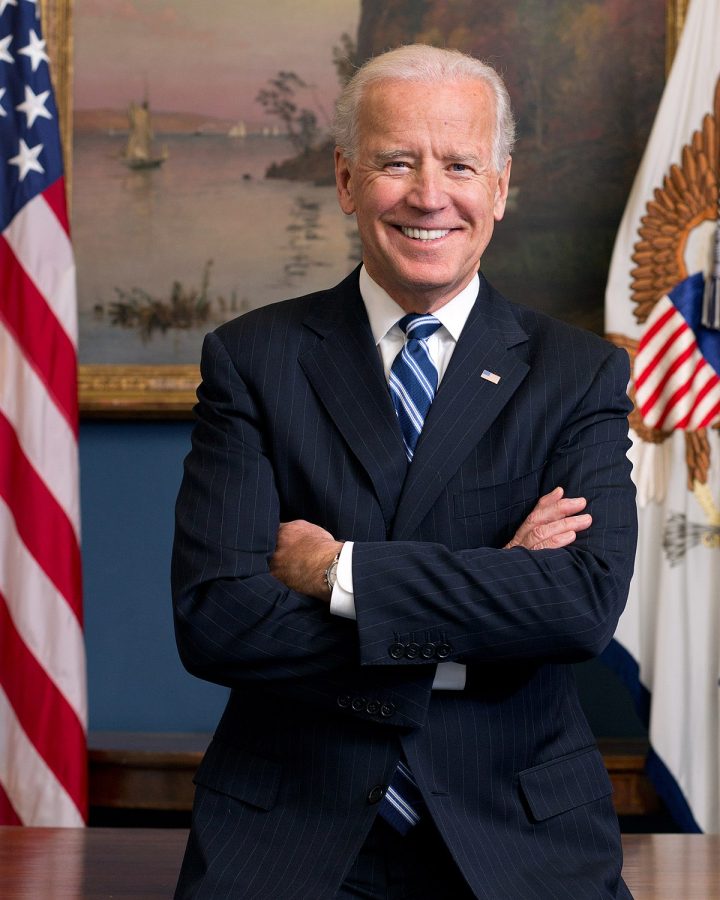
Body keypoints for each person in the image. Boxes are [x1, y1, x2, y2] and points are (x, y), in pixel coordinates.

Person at [172, 44, 636, 899]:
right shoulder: (251, 360)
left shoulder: (578, 374)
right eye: (396, 161)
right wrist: (494, 594)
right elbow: (218, 619)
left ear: (499, 185)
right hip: (288, 832)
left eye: (460, 163)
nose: (430, 195)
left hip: (520, 838)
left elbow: (577, 610)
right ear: (348, 182)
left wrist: (338, 572)